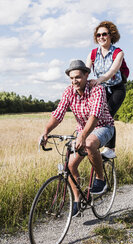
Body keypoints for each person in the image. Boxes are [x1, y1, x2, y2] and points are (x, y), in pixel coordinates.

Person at [40, 60, 114, 217]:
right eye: (72, 78)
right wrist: (46, 131)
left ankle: (101, 180)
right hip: (83, 131)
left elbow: (95, 116)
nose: (75, 81)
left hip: (104, 127)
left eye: (78, 77)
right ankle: (77, 201)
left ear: (87, 75)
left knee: (89, 144)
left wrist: (82, 136)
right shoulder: (69, 92)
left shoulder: (97, 89)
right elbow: (58, 114)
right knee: (70, 166)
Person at [86, 21, 126, 159]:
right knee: (94, 115)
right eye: (98, 35)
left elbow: (113, 71)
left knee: (107, 115)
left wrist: (99, 80)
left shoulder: (118, 52)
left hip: (116, 89)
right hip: (101, 90)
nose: (101, 37)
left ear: (111, 35)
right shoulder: (92, 53)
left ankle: (110, 148)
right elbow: (86, 71)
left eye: (104, 34)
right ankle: (94, 142)